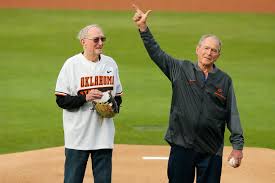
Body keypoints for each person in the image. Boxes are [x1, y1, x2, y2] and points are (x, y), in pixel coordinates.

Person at [132, 4, 244, 183]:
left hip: (211, 149)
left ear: (218, 55)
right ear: (197, 49)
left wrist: (237, 146)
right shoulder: (181, 69)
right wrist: (143, 28)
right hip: (182, 145)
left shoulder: (224, 80)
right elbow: (157, 53)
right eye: (206, 48)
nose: (209, 53)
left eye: (213, 50)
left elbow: (232, 114)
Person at [55, 24, 123, 183]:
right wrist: (85, 98)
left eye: (103, 39)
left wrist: (113, 107)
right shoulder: (71, 65)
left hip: (103, 136)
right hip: (77, 138)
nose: (100, 43)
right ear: (83, 42)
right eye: (96, 39)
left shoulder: (110, 64)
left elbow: (118, 96)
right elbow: (61, 100)